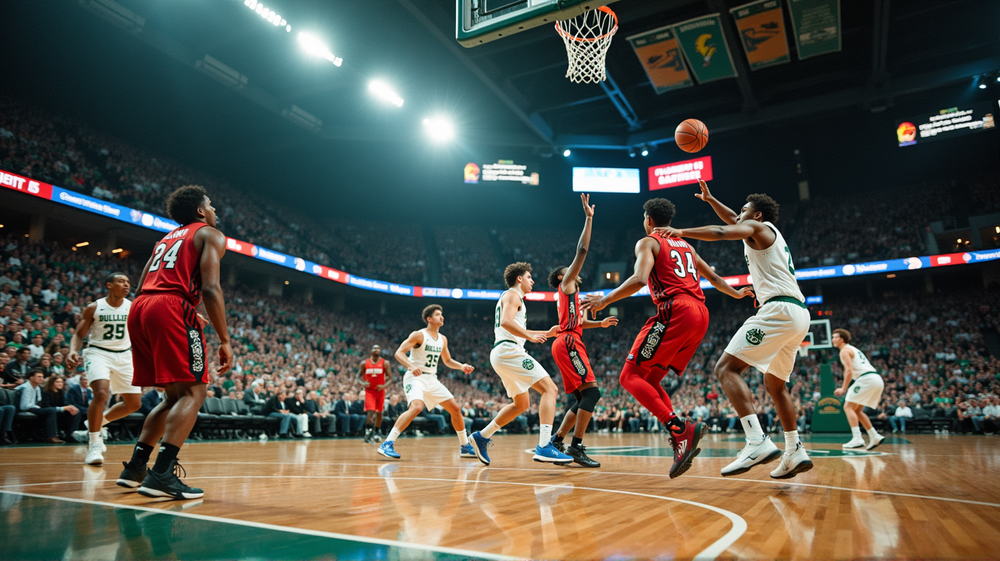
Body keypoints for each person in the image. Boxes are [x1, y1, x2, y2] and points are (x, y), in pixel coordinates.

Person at [581, 198, 753, 478]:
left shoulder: (648, 241)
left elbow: (638, 279)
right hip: (702, 314)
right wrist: (736, 294)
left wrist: (605, 300)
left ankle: (678, 428)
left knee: (628, 377)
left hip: (677, 310)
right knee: (650, 380)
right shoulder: (687, 245)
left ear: (648, 219)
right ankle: (680, 441)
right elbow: (715, 278)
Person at [654, 180, 812, 479]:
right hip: (799, 314)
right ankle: (794, 450)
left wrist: (681, 232)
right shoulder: (762, 231)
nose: (739, 215)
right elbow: (732, 220)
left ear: (758, 216)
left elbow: (723, 231)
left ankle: (756, 441)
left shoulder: (757, 229)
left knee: (725, 369)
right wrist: (712, 200)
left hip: (778, 309)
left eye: (744, 210)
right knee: (775, 385)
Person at [118, 185, 233, 500]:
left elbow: (144, 284)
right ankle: (163, 474)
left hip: (141, 307)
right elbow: (210, 288)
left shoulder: (165, 238)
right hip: (170, 308)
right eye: (210, 204)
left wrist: (182, 310)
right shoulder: (210, 234)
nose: (214, 210)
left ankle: (136, 468)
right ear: (200, 211)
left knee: (171, 397)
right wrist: (225, 340)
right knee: (195, 392)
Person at [467, 263, 572, 467]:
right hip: (509, 351)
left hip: (503, 352)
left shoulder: (513, 298)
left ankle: (482, 437)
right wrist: (530, 338)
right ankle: (544, 446)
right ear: (519, 279)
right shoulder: (513, 295)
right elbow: (506, 322)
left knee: (521, 404)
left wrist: (545, 333)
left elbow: (511, 325)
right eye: (529, 277)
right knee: (550, 389)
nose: (532, 281)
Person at [546, 194, 618, 468]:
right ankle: (576, 447)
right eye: (569, 269)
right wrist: (588, 219)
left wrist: (599, 324)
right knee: (592, 394)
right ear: (562, 277)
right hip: (568, 342)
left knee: (581, 398)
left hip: (569, 339)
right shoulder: (566, 287)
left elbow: (578, 322)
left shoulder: (574, 296)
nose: (574, 269)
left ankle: (557, 441)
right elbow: (582, 252)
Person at [377, 305, 477, 460]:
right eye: (438, 314)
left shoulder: (443, 339)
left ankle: (464, 446)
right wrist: (410, 365)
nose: (441, 317)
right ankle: (387, 444)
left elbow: (447, 360)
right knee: (417, 407)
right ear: (429, 319)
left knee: (456, 409)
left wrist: (461, 366)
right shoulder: (419, 335)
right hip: (415, 377)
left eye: (442, 314)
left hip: (431, 378)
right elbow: (399, 353)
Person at [66, 273, 141, 465]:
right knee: (100, 394)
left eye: (128, 282)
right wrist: (72, 350)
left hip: (124, 355)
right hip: (98, 353)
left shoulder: (132, 307)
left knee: (134, 404)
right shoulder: (94, 307)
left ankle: (97, 423)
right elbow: (79, 334)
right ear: (109, 285)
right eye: (121, 281)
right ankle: (94, 443)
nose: (126, 284)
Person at [832, 328, 886, 450]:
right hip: (876, 378)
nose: (832, 340)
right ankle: (874, 436)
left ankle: (857, 438)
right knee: (856, 410)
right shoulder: (854, 349)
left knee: (848, 407)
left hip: (866, 379)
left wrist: (843, 388)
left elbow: (849, 370)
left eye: (835, 337)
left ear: (842, 339)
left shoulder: (844, 351)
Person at [16, 368, 77, 443]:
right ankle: (50, 436)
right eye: (39, 377)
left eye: (42, 377)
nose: (41, 379)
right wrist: (38, 407)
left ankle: (71, 435)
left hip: (33, 407)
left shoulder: (37, 387)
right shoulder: (26, 387)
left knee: (70, 411)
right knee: (51, 410)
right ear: (31, 378)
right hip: (27, 409)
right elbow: (24, 406)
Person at [358, 345, 391, 443]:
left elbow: (391, 378)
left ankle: (376, 430)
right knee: (371, 411)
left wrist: (384, 385)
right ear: (370, 351)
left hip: (380, 391)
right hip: (370, 391)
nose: (376, 350)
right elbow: (358, 376)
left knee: (379, 413)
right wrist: (363, 383)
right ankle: (368, 433)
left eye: (378, 348)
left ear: (380, 351)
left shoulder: (385, 363)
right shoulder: (364, 363)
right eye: (374, 348)